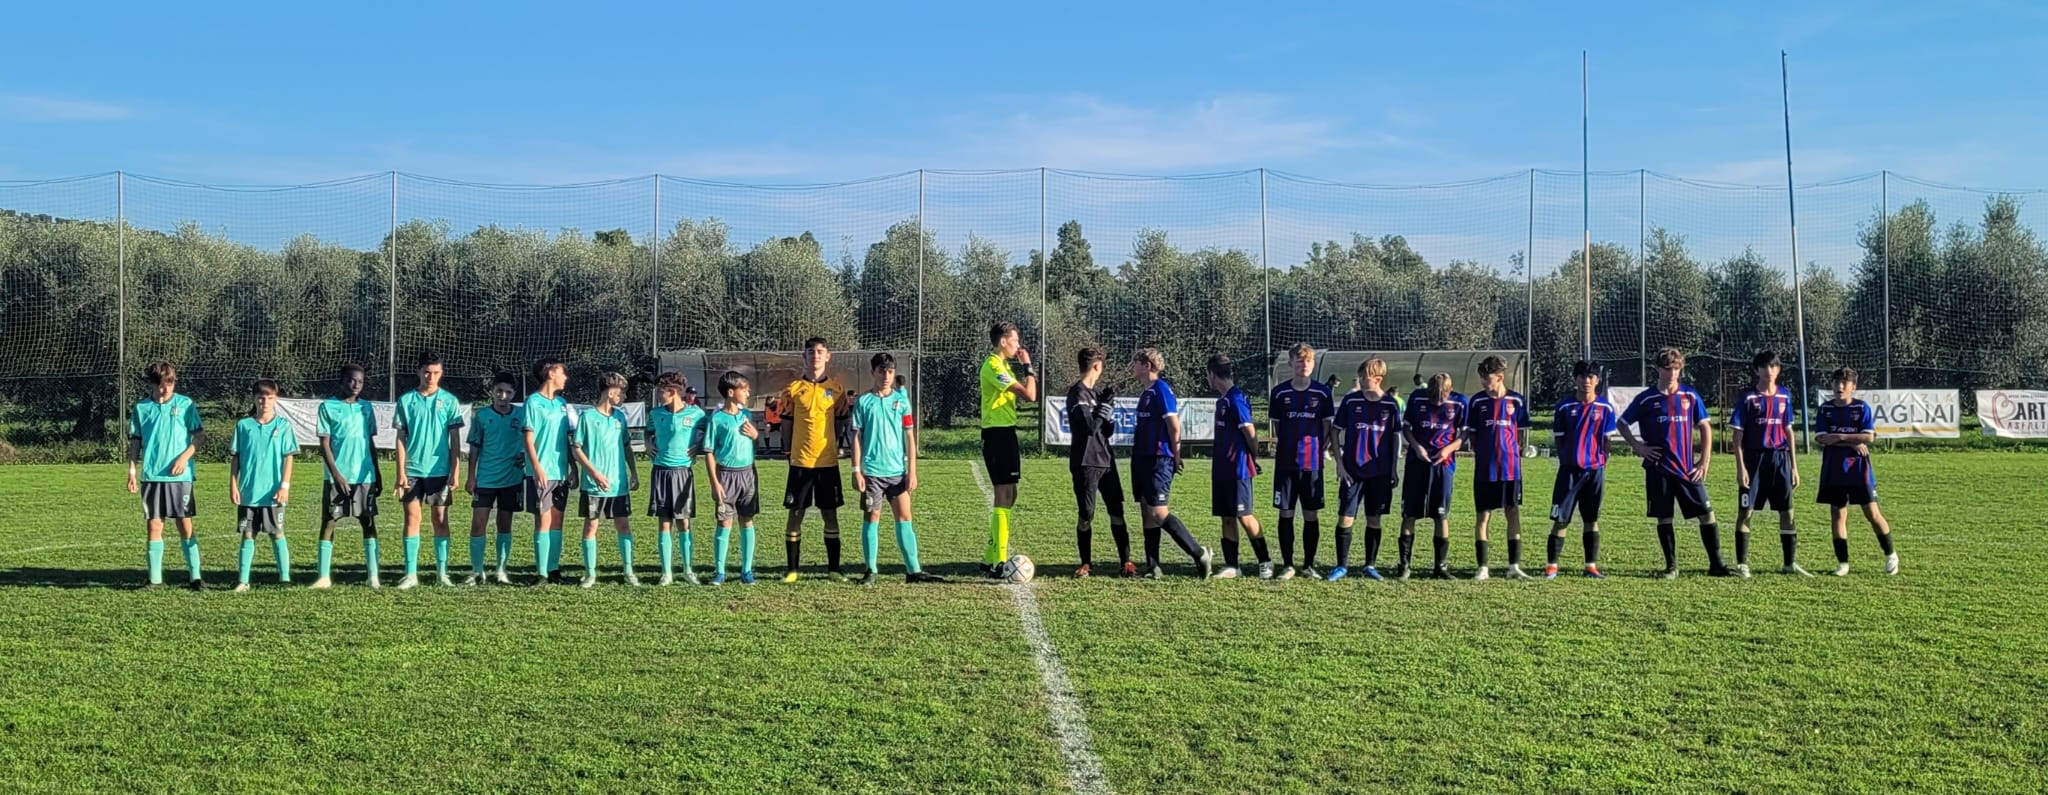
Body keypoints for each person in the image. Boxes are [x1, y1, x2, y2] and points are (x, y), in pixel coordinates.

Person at [1619, 348, 1733, 578]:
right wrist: (1638, 447)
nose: (1672, 373)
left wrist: (1704, 461)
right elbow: (1622, 423)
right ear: (1658, 369)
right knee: (1664, 516)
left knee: (1706, 513)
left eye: (1676, 368)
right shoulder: (1647, 398)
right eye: (1667, 369)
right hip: (1658, 468)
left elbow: (1705, 426)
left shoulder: (1689, 396)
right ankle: (1671, 566)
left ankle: (1716, 565)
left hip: (1686, 468)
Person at [848, 353, 945, 585]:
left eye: (890, 372)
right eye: (881, 371)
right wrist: (856, 470)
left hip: (897, 473)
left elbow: (909, 437)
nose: (886, 376)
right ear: (873, 373)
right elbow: (857, 438)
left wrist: (912, 471)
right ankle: (871, 570)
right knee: (872, 517)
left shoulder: (902, 401)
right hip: (872, 473)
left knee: (904, 517)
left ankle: (914, 571)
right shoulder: (864, 402)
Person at [1128, 347, 1215, 579]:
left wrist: (1176, 454)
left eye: (1135, 362)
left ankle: (1199, 553)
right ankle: (1153, 566)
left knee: (1158, 512)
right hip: (1142, 458)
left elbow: (1174, 426)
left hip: (1158, 458)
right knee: (1146, 510)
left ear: (1147, 365)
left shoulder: (1161, 390)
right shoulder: (1146, 392)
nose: (1132, 367)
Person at [128, 360, 205, 590]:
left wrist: (184, 458)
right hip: (152, 476)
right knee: (154, 526)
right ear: (152, 384)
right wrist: (132, 470)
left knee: (185, 525)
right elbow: (135, 441)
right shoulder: (141, 408)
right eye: (161, 384)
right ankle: (154, 579)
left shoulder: (185, 404)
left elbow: (199, 436)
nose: (166, 388)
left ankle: (196, 577)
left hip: (180, 478)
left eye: (170, 383)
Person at [392, 349, 466, 589]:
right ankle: (410, 574)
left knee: (440, 519)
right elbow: (400, 438)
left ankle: (441, 573)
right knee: (412, 518)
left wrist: (455, 470)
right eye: (426, 372)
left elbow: (455, 440)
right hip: (413, 471)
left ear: (441, 373)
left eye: (435, 372)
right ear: (419, 372)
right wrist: (400, 472)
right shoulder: (406, 401)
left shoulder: (449, 401)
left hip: (440, 471)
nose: (430, 377)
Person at [1730, 350, 1807, 577]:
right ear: (1757, 370)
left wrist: (1794, 466)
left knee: (1787, 512)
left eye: (1773, 366)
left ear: (1778, 369)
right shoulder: (1748, 397)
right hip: (1754, 460)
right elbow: (1737, 436)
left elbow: (1788, 431)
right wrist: (1741, 467)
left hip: (1780, 459)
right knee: (1746, 512)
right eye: (1764, 366)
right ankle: (1742, 565)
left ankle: (1789, 564)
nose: (1769, 371)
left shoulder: (1785, 396)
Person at [780, 337, 852, 582]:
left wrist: (836, 447)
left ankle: (834, 569)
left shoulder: (837, 391)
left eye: (820, 351)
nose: (815, 355)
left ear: (828, 356)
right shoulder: (792, 389)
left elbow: (841, 423)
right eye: (811, 352)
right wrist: (788, 453)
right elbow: (786, 424)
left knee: (830, 514)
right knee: (795, 513)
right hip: (800, 462)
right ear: (804, 356)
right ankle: (792, 570)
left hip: (827, 462)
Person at [1815, 368, 1899, 576]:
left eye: (1844, 383)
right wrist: (1854, 441)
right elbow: (1822, 438)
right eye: (1836, 382)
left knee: (1872, 513)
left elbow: (1869, 437)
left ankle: (1891, 555)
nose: (1840, 386)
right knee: (1837, 514)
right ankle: (1843, 563)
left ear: (1853, 387)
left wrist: (1841, 438)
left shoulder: (1861, 408)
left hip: (1859, 469)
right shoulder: (1825, 409)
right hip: (1834, 468)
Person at [1328, 358, 1403, 581]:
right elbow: (1335, 431)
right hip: (1352, 471)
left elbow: (1395, 438)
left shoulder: (1390, 405)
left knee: (1374, 519)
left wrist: (1393, 469)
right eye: (1359, 377)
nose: (1360, 381)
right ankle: (1341, 566)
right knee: (1345, 517)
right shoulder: (1351, 401)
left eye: (1364, 377)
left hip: (1379, 472)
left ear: (1378, 379)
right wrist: (1340, 464)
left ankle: (1370, 565)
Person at [1546, 361, 1618, 579]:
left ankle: (1590, 566)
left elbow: (1607, 440)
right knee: (1561, 519)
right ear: (1575, 379)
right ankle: (1552, 566)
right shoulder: (1564, 407)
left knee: (1591, 519)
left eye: (1591, 377)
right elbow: (1559, 440)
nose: (1586, 381)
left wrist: (1602, 460)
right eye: (1582, 376)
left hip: (1594, 470)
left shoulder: (1605, 408)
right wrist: (1568, 459)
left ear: (1597, 380)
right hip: (1569, 471)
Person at [1268, 343, 1334, 580]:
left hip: (1312, 464)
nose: (1303, 365)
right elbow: (1277, 426)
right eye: (1299, 361)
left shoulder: (1322, 393)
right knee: (1285, 513)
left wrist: (1319, 448)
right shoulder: (1279, 393)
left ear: (1313, 364)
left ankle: (1308, 565)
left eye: (1308, 361)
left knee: (1310, 514)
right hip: (1286, 463)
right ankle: (1287, 564)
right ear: (1291, 364)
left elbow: (1327, 426)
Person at [1066, 347, 1133, 578]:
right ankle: (1086, 563)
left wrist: (1108, 410)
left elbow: (1106, 430)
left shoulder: (1095, 394)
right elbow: (1090, 428)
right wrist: (1103, 408)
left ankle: (1126, 562)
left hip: (1106, 460)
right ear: (1096, 366)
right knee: (1086, 514)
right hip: (1085, 462)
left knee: (1117, 510)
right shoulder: (1077, 393)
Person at [1466, 355, 1534, 580]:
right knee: (1483, 515)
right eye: (1482, 378)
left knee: (1512, 512)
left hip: (1510, 469)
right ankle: (1483, 567)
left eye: (1488, 378)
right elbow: (1473, 436)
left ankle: (1513, 566)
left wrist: (1512, 452)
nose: (1484, 383)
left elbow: (1520, 435)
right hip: (1485, 469)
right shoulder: (1477, 402)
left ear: (1500, 377)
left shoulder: (1517, 401)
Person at [313, 363, 381, 589]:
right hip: (337, 477)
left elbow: (370, 442)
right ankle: (323, 576)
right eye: (351, 380)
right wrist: (337, 475)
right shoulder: (328, 407)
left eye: (360, 381)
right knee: (329, 521)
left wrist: (377, 473)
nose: (356, 385)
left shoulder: (366, 408)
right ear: (342, 381)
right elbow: (324, 444)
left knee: (368, 521)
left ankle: (373, 575)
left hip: (364, 476)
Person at [979, 322, 1037, 577]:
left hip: (1006, 433)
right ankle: (998, 560)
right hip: (997, 434)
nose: (1018, 345)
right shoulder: (993, 366)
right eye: (1015, 340)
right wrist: (1028, 366)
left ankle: (989, 556)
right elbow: (1029, 395)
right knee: (1003, 493)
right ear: (1003, 341)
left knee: (1011, 494)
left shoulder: (1003, 366)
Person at [570, 372, 638, 588]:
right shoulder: (587, 418)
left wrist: (633, 472)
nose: (624, 397)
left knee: (623, 526)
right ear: (611, 392)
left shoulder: (620, 418)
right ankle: (590, 574)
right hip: (594, 485)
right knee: (591, 526)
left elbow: (626, 446)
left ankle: (628, 571)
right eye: (622, 393)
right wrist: (595, 474)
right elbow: (577, 448)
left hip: (618, 485)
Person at [229, 379, 298, 592]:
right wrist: (233, 484)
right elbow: (236, 457)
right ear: (254, 399)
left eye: (269, 398)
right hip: (249, 493)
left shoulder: (283, 426)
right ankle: (243, 581)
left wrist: (284, 486)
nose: (265, 402)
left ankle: (285, 579)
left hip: (273, 493)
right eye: (261, 398)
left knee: (277, 533)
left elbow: (288, 457)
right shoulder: (243, 426)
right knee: (248, 534)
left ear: (275, 399)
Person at [1209, 355, 1271, 579]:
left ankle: (1265, 561)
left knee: (1244, 516)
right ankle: (1232, 566)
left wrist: (1252, 458)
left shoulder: (1236, 399)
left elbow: (1251, 434)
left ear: (1212, 374)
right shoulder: (1222, 401)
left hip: (1238, 470)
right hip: (1221, 469)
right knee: (1226, 516)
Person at [1400, 372, 1466, 580]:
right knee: (1409, 514)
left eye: (1441, 398)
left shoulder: (1460, 402)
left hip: (1443, 464)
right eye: (1433, 398)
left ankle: (1440, 567)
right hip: (1416, 463)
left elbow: (1464, 434)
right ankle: (1404, 565)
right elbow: (1406, 427)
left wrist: (1448, 449)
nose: (1437, 402)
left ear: (1450, 390)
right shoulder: (1416, 398)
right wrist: (1416, 447)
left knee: (1441, 514)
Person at [646, 371, 708, 586]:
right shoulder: (656, 414)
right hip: (661, 472)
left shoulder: (697, 414)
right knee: (664, 523)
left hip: (683, 473)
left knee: (684, 523)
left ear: (672, 392)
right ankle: (666, 573)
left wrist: (699, 446)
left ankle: (688, 570)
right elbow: (648, 432)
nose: (658, 395)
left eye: (660, 391)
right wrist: (648, 443)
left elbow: (709, 433)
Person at [464, 371, 525, 585]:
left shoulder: (522, 414)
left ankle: (501, 570)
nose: (503, 396)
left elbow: (532, 439)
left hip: (512, 478)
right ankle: (477, 571)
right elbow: (474, 448)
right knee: (478, 523)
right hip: (486, 479)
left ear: (514, 394)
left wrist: (525, 456)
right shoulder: (482, 416)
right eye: (499, 391)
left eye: (508, 392)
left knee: (504, 524)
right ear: (492, 391)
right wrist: (471, 476)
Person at [521, 358, 578, 585]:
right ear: (551, 373)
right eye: (563, 373)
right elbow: (528, 438)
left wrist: (573, 467)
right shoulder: (533, 402)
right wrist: (537, 468)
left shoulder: (562, 404)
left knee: (557, 520)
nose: (566, 378)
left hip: (560, 472)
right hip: (541, 473)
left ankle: (554, 570)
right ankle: (542, 573)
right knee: (543, 520)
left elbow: (564, 438)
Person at [703, 371, 762, 585]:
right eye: (744, 389)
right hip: (726, 476)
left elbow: (753, 443)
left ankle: (747, 570)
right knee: (725, 521)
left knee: (747, 520)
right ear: (730, 392)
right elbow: (709, 452)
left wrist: (756, 436)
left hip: (748, 475)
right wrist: (715, 483)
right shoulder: (717, 419)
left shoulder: (746, 415)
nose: (748, 393)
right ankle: (720, 571)